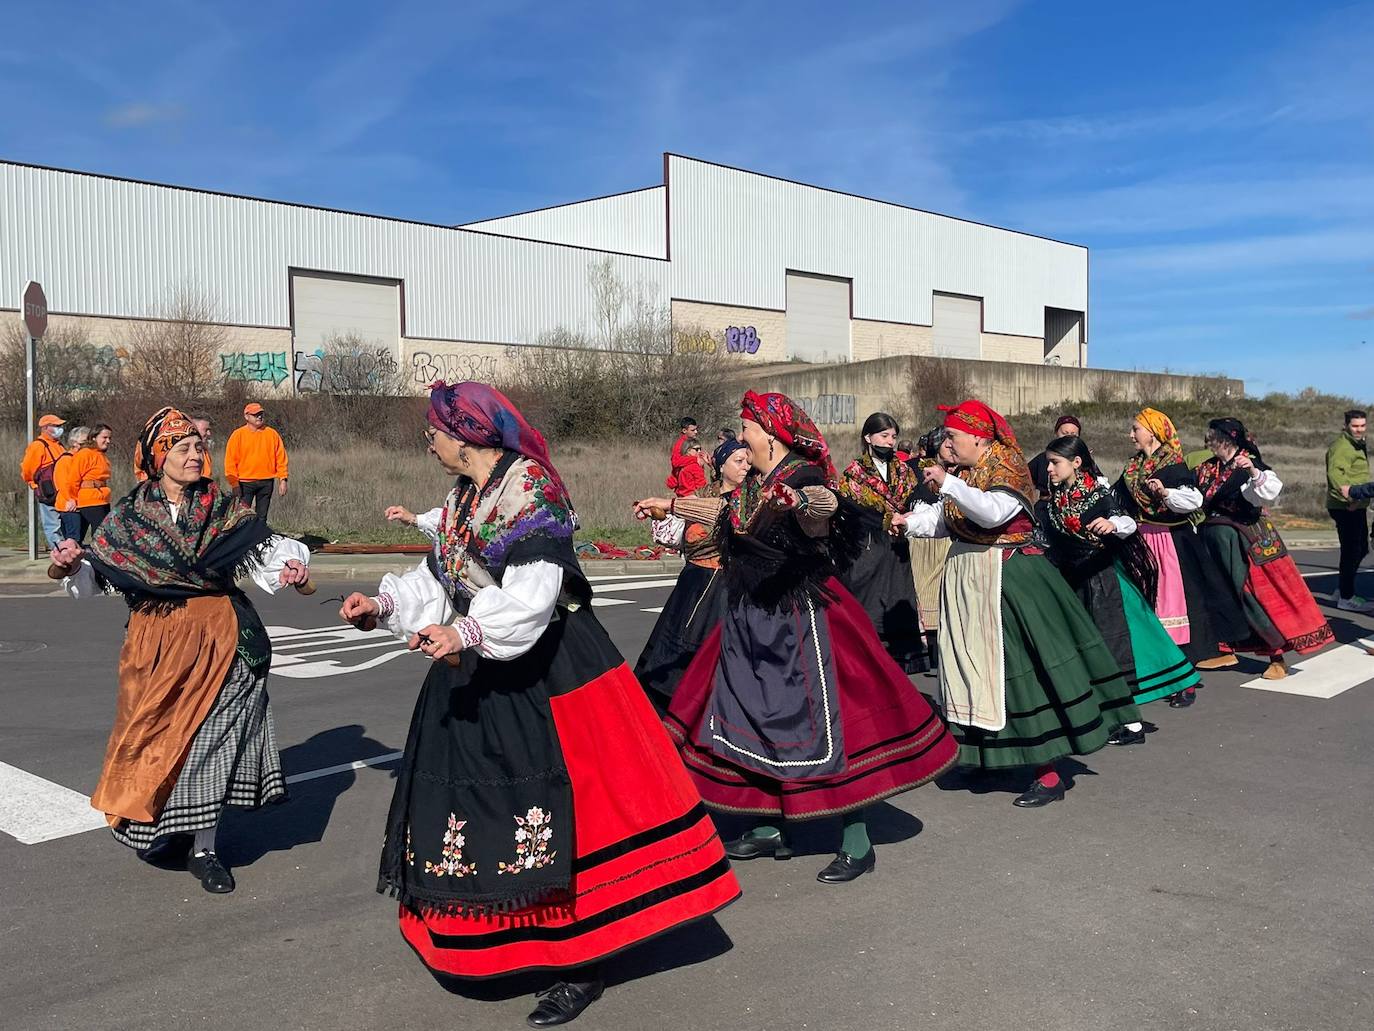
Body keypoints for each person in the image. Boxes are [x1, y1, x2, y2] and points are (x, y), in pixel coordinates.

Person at [337, 382, 739, 1028]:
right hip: (477, 661)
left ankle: (580, 962)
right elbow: (437, 578)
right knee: (487, 805)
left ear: (466, 432)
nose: (428, 440)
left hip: (549, 666)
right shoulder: (463, 499)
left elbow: (534, 595)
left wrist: (465, 632)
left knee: (564, 806)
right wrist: (382, 606)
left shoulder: (532, 489)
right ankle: (510, 939)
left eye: (433, 429)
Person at [640, 391, 957, 882]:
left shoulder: (800, 477)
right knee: (754, 717)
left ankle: (856, 837)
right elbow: (730, 515)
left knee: (825, 725)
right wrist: (672, 504)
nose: (740, 436)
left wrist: (805, 503)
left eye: (745, 427)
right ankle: (772, 824)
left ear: (769, 432)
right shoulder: (757, 480)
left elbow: (823, 509)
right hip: (754, 613)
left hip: (802, 617)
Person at [48, 407, 311, 894]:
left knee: (210, 741)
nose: (195, 455)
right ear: (156, 456)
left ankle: (206, 848)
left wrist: (291, 565)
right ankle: (170, 830)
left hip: (223, 636)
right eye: (181, 448)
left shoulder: (222, 507)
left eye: (197, 447)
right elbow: (95, 578)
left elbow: (270, 548)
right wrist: (72, 566)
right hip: (156, 645)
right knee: (163, 743)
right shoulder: (126, 518)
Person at [898, 400, 1139, 808]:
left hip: (1004, 580)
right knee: (969, 672)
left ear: (977, 436)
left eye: (954, 436)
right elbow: (947, 520)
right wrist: (911, 523)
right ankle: (979, 757)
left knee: (1017, 671)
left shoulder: (1007, 467)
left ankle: (1048, 772)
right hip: (968, 581)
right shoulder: (968, 472)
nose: (949, 444)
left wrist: (950, 484)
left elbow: (993, 514)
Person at [1040, 435, 1201, 741]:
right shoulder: (1054, 502)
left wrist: (1113, 525)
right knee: (1085, 648)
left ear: (1076, 463)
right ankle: (1098, 712)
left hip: (1104, 582)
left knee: (1118, 647)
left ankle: (1132, 723)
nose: (1049, 468)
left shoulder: (1098, 494)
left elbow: (1126, 521)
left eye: (1054, 462)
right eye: (1049, 462)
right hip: (1073, 582)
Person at [1114, 407, 1250, 690]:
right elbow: (1117, 497)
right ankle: (1155, 659)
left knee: (1175, 600)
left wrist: (1165, 492)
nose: (1131, 435)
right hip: (1141, 540)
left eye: (1135, 429)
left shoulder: (1173, 466)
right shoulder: (1133, 467)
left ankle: (1181, 665)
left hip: (1171, 540)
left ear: (1152, 433)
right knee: (1146, 600)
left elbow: (1192, 500)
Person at [1196, 419, 1334, 678]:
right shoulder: (1207, 468)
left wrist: (1253, 472)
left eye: (1211, 436)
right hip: (1212, 539)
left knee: (1252, 594)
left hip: (1243, 539)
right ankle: (1224, 650)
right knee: (1217, 594)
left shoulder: (1249, 464)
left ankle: (1276, 656)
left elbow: (1264, 493)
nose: (1207, 441)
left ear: (1227, 439)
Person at [633, 437, 751, 709]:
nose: (745, 467)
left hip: (724, 586)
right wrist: (659, 516)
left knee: (707, 655)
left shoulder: (746, 501)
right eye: (738, 461)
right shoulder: (700, 496)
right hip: (692, 582)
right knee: (670, 653)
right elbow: (677, 536)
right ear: (721, 466)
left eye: (747, 461)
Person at [835, 411, 927, 672]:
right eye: (884, 435)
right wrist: (884, 519)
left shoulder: (904, 472)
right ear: (868, 437)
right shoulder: (854, 473)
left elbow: (915, 498)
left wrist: (909, 516)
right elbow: (851, 509)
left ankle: (900, 665)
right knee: (870, 601)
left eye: (893, 436)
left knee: (899, 596)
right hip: (868, 546)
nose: (889, 441)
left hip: (897, 547)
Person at [906, 427, 955, 659]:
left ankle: (939, 649)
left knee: (940, 593)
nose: (951, 448)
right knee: (923, 589)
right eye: (947, 444)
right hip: (922, 539)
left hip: (943, 540)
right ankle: (926, 646)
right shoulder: (917, 468)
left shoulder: (958, 471)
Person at [1325, 410, 1372, 612]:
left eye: (1362, 425)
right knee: (1352, 550)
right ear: (1346, 426)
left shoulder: (1357, 444)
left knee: (1361, 548)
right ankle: (1346, 596)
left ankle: (1343, 588)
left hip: (1357, 504)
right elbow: (1335, 475)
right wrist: (1350, 499)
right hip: (1347, 506)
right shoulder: (1342, 446)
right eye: (1355, 426)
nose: (1359, 429)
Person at [225, 402, 289, 521]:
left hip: (266, 481)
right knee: (242, 517)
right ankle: (243, 538)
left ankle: (260, 537)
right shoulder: (238, 435)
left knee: (262, 517)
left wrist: (283, 479)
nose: (259, 417)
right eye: (255, 414)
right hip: (245, 483)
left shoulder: (272, 434)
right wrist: (234, 484)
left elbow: (281, 458)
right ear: (246, 416)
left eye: (261, 414)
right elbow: (230, 462)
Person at [55, 423, 113, 544]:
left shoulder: (101, 455)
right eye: (104, 437)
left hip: (102, 498)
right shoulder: (84, 454)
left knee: (101, 533)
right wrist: (72, 499)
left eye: (109, 438)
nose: (108, 441)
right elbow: (72, 480)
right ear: (93, 438)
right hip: (89, 500)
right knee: (99, 534)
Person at [20, 413, 67, 550]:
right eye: (56, 426)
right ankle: (59, 554)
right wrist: (34, 484)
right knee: (52, 525)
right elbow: (28, 469)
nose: (60, 428)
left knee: (62, 525)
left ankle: (63, 553)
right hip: (48, 491)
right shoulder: (38, 446)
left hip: (62, 492)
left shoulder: (59, 445)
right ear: (46, 428)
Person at [138, 414, 215, 484]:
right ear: (160, 460)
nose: (196, 456)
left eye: (199, 449)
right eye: (184, 450)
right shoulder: (140, 497)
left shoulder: (217, 496)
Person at [1027, 414, 1081, 497]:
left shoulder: (1084, 459)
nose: (1068, 438)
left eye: (1073, 435)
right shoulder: (1042, 459)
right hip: (1045, 507)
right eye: (1065, 433)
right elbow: (1024, 480)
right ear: (1056, 433)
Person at [667, 416, 702, 497]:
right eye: (692, 430)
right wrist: (695, 459)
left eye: (696, 429)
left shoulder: (690, 442)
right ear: (684, 430)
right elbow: (675, 462)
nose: (696, 432)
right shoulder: (680, 444)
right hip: (685, 487)